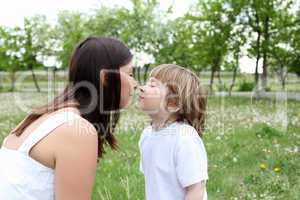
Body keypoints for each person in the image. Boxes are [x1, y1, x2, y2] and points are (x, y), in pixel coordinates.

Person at [0, 36, 137, 200]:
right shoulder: (76, 129)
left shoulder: (41, 116)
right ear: (105, 78)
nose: (135, 83)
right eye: (130, 74)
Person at [137, 64, 208, 200]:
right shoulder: (146, 135)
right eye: (147, 83)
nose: (142, 88)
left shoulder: (184, 138)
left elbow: (196, 190)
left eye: (153, 86)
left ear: (173, 104)